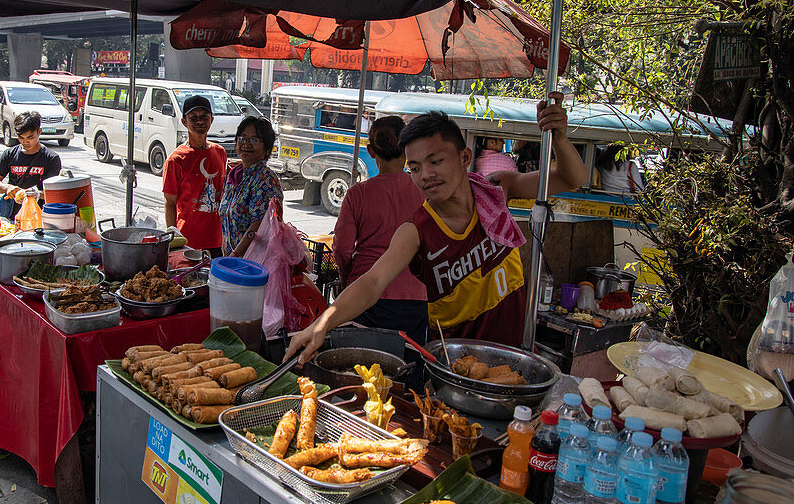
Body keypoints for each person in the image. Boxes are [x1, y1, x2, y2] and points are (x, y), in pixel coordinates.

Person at [287, 92, 586, 363]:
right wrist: (320, 325)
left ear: (464, 158)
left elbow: (571, 179)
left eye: (436, 161)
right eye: (415, 168)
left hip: (516, 347)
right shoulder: (416, 230)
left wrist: (559, 138)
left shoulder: (496, 191)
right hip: (456, 362)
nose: (425, 175)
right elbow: (372, 282)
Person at [332, 116, 428, 344]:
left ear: (371, 151)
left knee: (360, 369)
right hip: (416, 298)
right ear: (406, 150)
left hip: (365, 296)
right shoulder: (425, 191)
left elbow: (343, 250)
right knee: (408, 367)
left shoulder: (357, 193)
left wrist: (346, 281)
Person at [162, 95, 227, 256]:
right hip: (188, 242)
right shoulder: (175, 160)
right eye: (194, 118)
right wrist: (173, 240)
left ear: (211, 120)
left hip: (219, 240)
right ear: (184, 122)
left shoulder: (220, 152)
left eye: (204, 117)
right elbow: (169, 203)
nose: (200, 121)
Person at [219, 116, 283, 257]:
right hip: (232, 261)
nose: (246, 144)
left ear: (266, 148)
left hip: (255, 264)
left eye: (254, 140)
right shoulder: (234, 175)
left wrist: (235, 255)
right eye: (242, 138)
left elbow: (259, 225)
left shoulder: (265, 179)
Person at [0, 111, 62, 218]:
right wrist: (7, 188)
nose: (25, 142)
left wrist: (36, 194)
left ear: (39, 132)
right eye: (21, 138)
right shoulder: (9, 154)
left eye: (30, 137)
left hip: (39, 217)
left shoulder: (51, 158)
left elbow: (55, 194)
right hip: (12, 215)